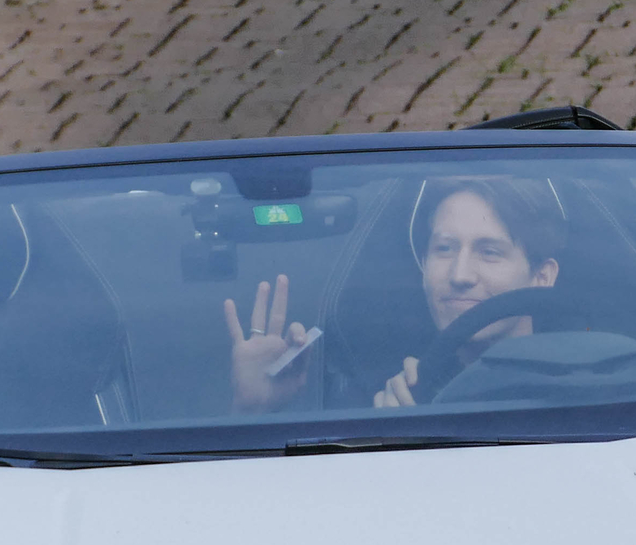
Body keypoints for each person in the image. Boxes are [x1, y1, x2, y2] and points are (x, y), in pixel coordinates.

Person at [224, 176, 565, 412]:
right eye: (444, 249)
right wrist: (255, 411)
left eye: (489, 252)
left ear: (542, 276)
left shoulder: (592, 387)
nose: (459, 275)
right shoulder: (380, 397)